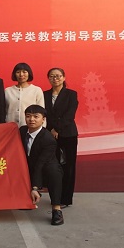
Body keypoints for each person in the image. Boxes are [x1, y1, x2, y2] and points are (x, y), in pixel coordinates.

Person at [20, 105, 64, 226]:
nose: (31, 119)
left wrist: (35, 188)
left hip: (45, 166)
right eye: (28, 116)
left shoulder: (48, 139)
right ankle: (24, 198)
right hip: (28, 164)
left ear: (43, 119)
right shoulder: (22, 131)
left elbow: (40, 164)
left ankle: (56, 209)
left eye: (36, 117)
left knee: (54, 173)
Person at [44, 68, 79, 207]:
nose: (55, 79)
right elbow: (44, 114)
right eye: (52, 76)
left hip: (68, 134)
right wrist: (51, 130)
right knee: (53, 167)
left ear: (64, 78)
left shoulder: (71, 94)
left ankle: (65, 199)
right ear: (48, 79)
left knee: (68, 167)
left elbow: (70, 115)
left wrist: (57, 129)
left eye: (58, 76)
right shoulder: (44, 94)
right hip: (49, 135)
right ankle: (55, 197)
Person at [5, 62, 44, 127]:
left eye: (24, 72)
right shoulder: (8, 91)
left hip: (30, 127)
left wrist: (41, 128)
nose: (21, 74)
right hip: (10, 127)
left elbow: (42, 111)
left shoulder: (36, 90)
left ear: (29, 73)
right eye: (18, 72)